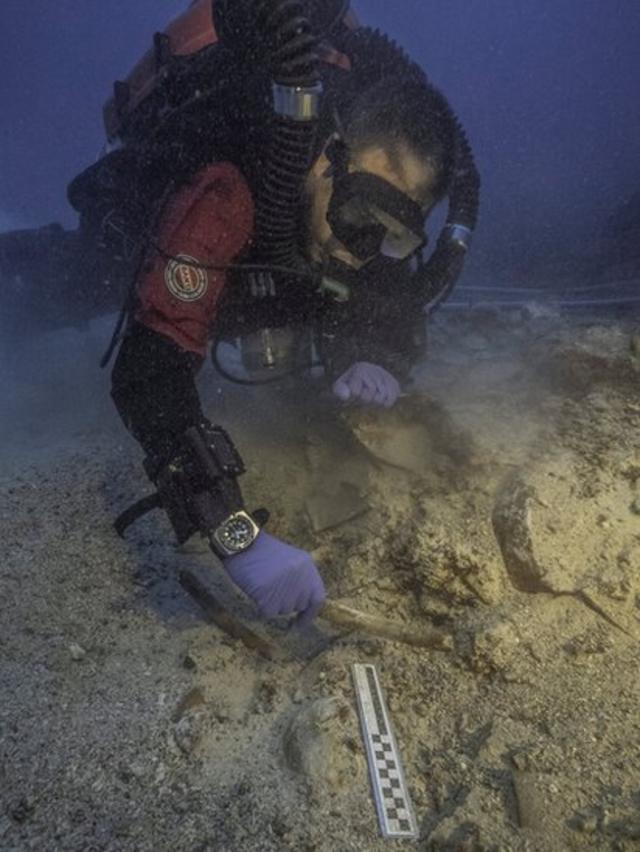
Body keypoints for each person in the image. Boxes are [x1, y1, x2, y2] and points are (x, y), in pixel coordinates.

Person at [99, 0, 480, 627]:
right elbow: (147, 374)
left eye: (391, 236)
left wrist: (379, 354)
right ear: (330, 158)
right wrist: (236, 537)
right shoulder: (232, 189)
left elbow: (399, 295)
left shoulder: (371, 217)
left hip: (256, 285)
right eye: (360, 216)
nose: (360, 253)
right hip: (140, 247)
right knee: (49, 282)